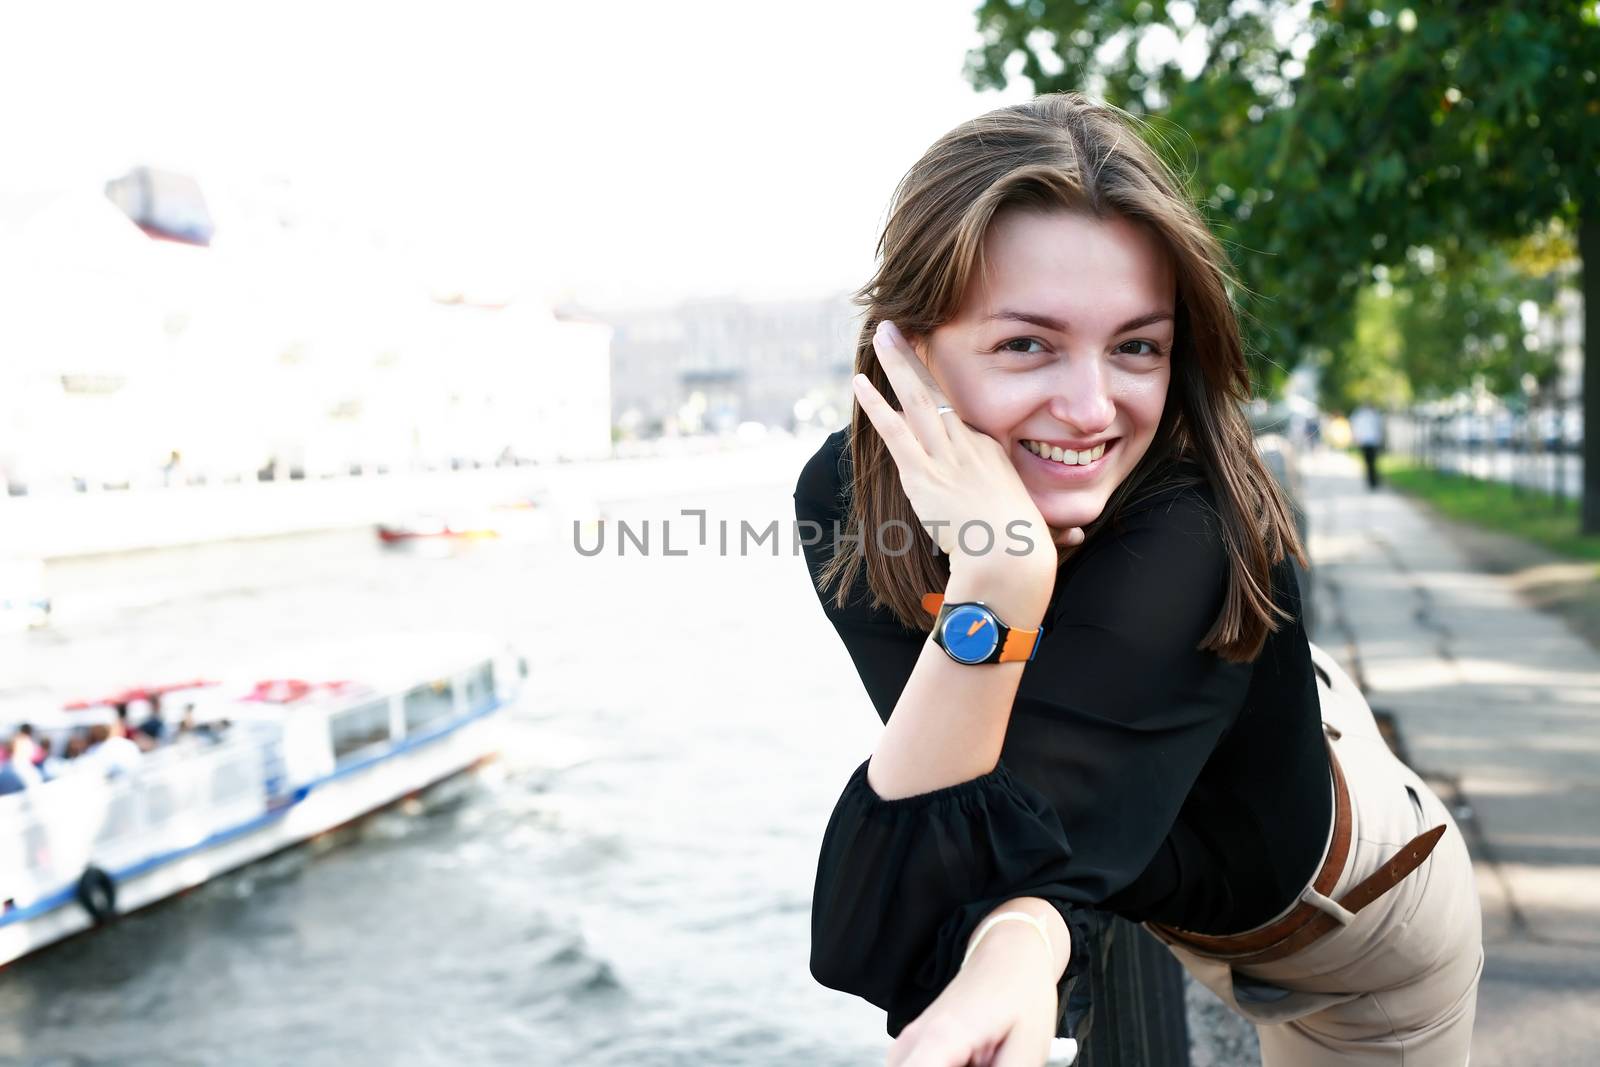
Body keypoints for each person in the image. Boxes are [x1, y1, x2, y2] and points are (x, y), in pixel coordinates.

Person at [794, 93, 1481, 1067]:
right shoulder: (847, 499)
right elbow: (916, 891)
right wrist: (1004, 575)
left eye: (1135, 346)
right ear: (910, 348)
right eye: (1026, 342)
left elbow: (989, 838)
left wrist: (998, 575)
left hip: (1357, 925)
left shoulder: (1201, 531)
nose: (1087, 409)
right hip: (1203, 830)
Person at [1351, 405, 1384, 490]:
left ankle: (1374, 480)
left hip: (1372, 442)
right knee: (1369, 463)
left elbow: (1378, 429)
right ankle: (1371, 481)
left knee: (1372, 462)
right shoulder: (1362, 416)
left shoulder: (1373, 416)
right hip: (1366, 442)